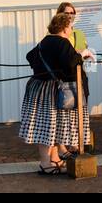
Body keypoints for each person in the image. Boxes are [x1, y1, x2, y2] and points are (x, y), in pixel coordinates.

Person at [19, 12, 88, 174]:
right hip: (52, 90)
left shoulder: (45, 41)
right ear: (64, 28)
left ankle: (52, 159)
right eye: (70, 27)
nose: (72, 29)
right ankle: (45, 163)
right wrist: (82, 55)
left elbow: (30, 56)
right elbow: (71, 62)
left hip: (38, 87)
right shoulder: (62, 42)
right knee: (49, 127)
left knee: (47, 127)